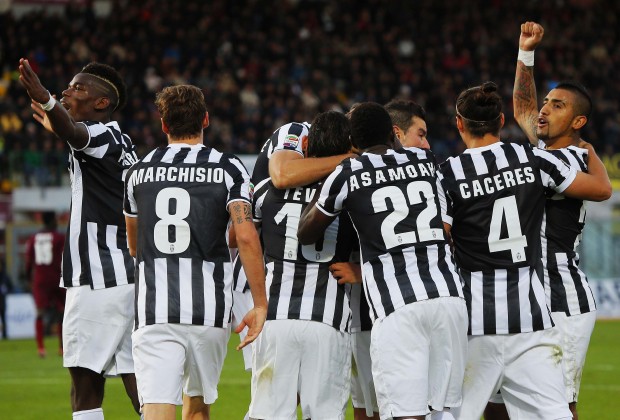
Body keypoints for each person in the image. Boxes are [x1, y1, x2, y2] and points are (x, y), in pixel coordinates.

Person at [437, 81, 611, 420]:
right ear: (501, 121)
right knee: (555, 412)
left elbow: (441, 238)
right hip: (530, 313)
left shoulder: (446, 175)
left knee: (453, 413)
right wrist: (590, 152)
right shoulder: (532, 158)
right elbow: (601, 189)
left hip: (475, 315)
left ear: (459, 124)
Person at [298, 102, 468, 420]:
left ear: (353, 140)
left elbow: (306, 232)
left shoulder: (347, 172)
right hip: (449, 298)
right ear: (393, 134)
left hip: (398, 306)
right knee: (444, 412)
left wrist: (326, 184)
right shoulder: (425, 159)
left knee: (406, 413)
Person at [123, 84, 267, 420]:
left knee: (157, 409)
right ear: (205, 119)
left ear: (163, 125)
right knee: (198, 408)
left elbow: (134, 246)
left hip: (155, 308)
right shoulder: (229, 168)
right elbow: (246, 237)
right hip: (209, 311)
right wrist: (259, 304)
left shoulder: (138, 172)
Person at [488, 21, 602, 420]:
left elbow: (601, 189)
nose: (545, 108)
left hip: (562, 298)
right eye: (547, 101)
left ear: (578, 123)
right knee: (497, 399)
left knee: (559, 406)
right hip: (525, 296)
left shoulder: (569, 160)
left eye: (558, 105)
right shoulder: (545, 151)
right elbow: (522, 106)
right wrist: (525, 53)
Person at [18, 59, 140, 419]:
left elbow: (78, 135)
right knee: (141, 387)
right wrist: (58, 120)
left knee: (85, 388)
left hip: (97, 277)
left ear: (101, 104)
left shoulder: (100, 134)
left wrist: (46, 100)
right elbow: (73, 135)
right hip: (128, 276)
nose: (68, 91)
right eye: (67, 86)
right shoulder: (121, 140)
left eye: (79, 88)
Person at [248, 111, 354, 420]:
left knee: (267, 414)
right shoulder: (350, 193)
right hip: (328, 317)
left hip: (276, 314)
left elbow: (238, 237)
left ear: (304, 143)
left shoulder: (267, 190)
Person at [25, 211, 66, 357]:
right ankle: (62, 348)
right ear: (52, 220)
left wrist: (29, 278)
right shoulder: (59, 237)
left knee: (40, 313)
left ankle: (41, 348)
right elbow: (65, 257)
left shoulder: (34, 237)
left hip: (40, 280)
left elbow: (29, 260)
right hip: (56, 278)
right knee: (63, 312)